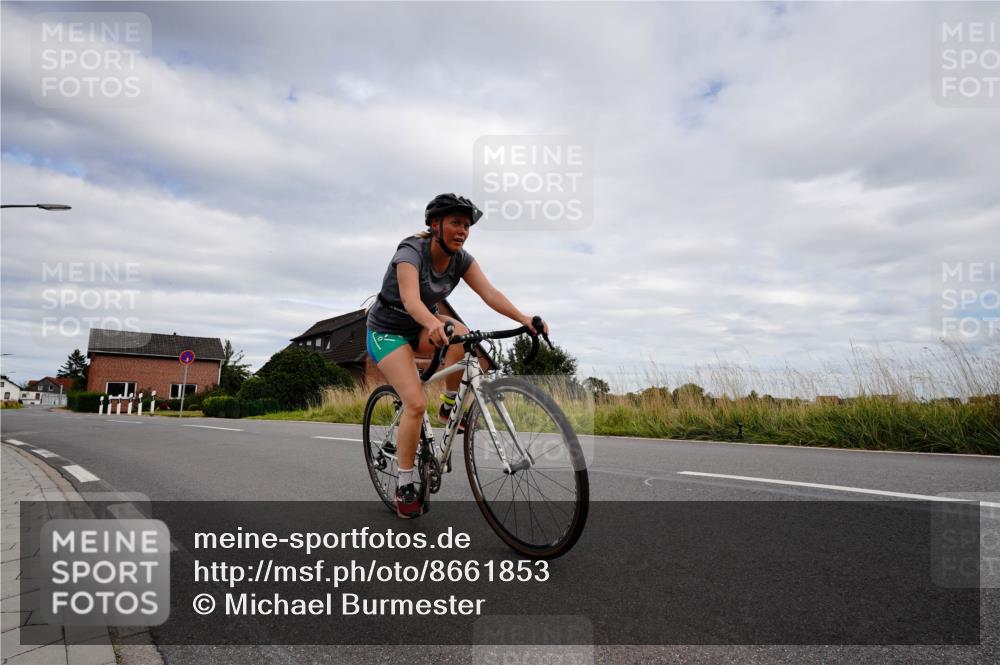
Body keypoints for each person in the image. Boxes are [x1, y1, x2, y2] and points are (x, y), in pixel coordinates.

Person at [366, 193, 547, 518]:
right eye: (455, 223)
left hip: (426, 326)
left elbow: (489, 292)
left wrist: (523, 318)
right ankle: (405, 485)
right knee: (416, 403)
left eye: (466, 225)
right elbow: (410, 299)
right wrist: (433, 323)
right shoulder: (410, 252)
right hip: (388, 331)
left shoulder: (461, 259)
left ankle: (450, 407)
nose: (462, 230)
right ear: (435, 225)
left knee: (464, 336)